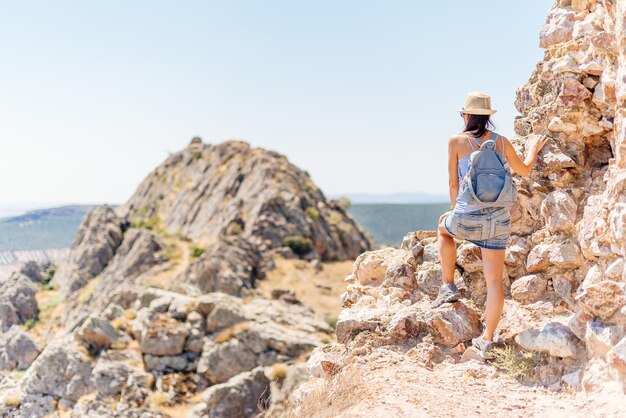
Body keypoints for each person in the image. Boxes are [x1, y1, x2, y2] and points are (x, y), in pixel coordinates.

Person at [433, 91, 548, 357]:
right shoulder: (501, 142)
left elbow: (452, 183)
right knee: (494, 280)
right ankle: (486, 340)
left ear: (466, 115)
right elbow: (525, 170)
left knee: (442, 227)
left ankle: (448, 286)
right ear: (487, 117)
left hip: (467, 216)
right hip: (498, 220)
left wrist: (459, 212)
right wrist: (532, 150)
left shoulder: (456, 142)